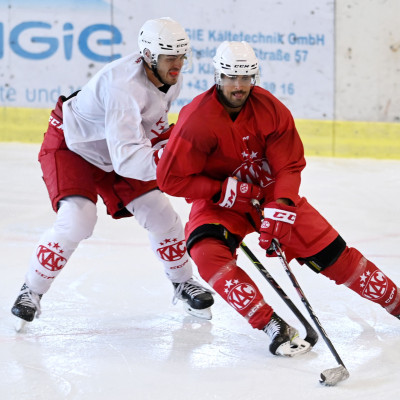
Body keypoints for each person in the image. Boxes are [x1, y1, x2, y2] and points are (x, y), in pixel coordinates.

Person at [156, 40, 400, 357]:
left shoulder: (271, 109)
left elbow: (289, 165)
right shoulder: (196, 121)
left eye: (246, 78)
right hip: (220, 205)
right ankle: (272, 325)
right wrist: (221, 190)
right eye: (231, 77)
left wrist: (283, 205)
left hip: (271, 194)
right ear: (218, 75)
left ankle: (396, 303)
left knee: (337, 258)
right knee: (204, 251)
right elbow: (170, 179)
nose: (238, 86)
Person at [11, 17, 214, 328]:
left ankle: (183, 282)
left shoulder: (171, 78)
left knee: (161, 215)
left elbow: (152, 129)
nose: (178, 66)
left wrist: (188, 151)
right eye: (170, 58)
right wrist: (175, 165)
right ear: (149, 56)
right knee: (78, 218)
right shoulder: (124, 88)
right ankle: (31, 291)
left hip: (117, 147)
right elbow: (128, 161)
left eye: (182, 57)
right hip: (73, 145)